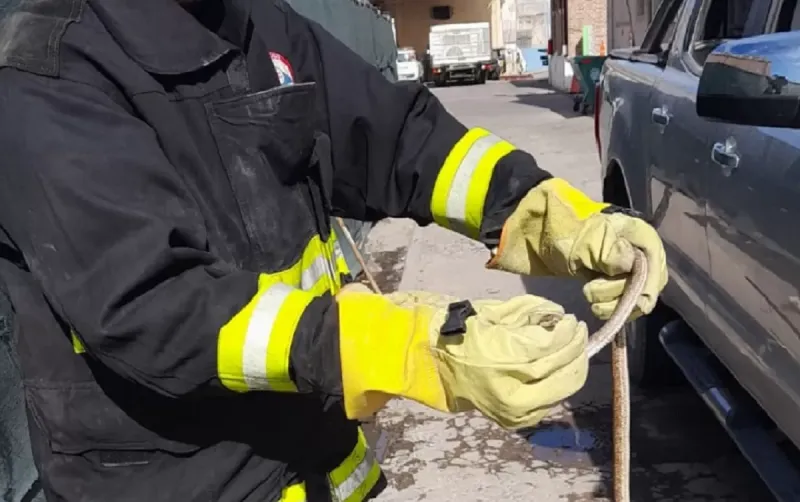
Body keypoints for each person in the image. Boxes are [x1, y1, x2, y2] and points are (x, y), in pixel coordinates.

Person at [0, 0, 668, 501]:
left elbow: (399, 138)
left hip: (317, 459)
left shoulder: (256, 24)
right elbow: (153, 306)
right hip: (178, 483)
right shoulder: (47, 74)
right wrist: (408, 346)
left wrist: (551, 215)